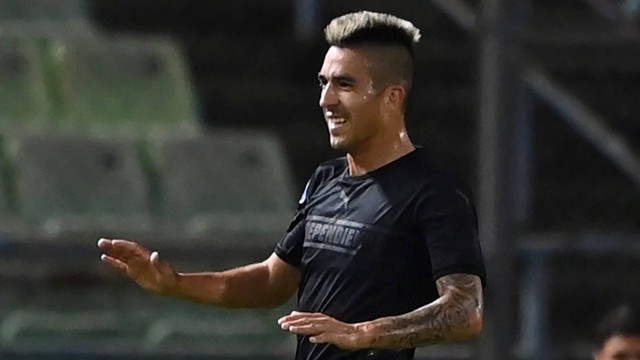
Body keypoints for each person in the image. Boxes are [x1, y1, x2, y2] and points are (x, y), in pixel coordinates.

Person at [98, 10, 486, 359]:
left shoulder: (435, 194)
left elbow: (465, 312)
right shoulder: (326, 179)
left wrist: (362, 333)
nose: (325, 100)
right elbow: (272, 281)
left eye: (344, 85)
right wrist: (176, 284)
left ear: (392, 98)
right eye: (323, 83)